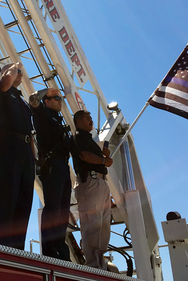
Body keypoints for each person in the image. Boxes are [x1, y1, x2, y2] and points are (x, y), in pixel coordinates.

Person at [0, 62, 35, 249]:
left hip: (25, 151)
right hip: (8, 146)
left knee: (25, 201)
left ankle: (18, 248)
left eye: (21, 71)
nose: (20, 73)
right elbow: (6, 79)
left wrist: (33, 155)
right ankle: (3, 245)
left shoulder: (23, 101)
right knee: (9, 196)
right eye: (18, 71)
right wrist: (12, 67)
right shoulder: (0, 89)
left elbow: (30, 132)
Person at [30, 88, 72, 261]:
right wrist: (45, 91)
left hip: (63, 165)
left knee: (63, 211)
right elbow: (33, 100)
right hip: (53, 165)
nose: (60, 100)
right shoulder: (41, 114)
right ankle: (49, 250)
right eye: (56, 98)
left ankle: (60, 248)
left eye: (60, 98)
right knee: (53, 208)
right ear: (47, 101)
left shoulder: (57, 119)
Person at [72, 110, 113, 270]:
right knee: (92, 224)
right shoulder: (78, 137)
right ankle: (93, 265)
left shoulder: (88, 139)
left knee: (103, 225)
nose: (91, 121)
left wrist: (102, 155)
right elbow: (83, 155)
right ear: (78, 121)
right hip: (90, 181)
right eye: (88, 118)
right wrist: (103, 159)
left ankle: (99, 263)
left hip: (99, 182)